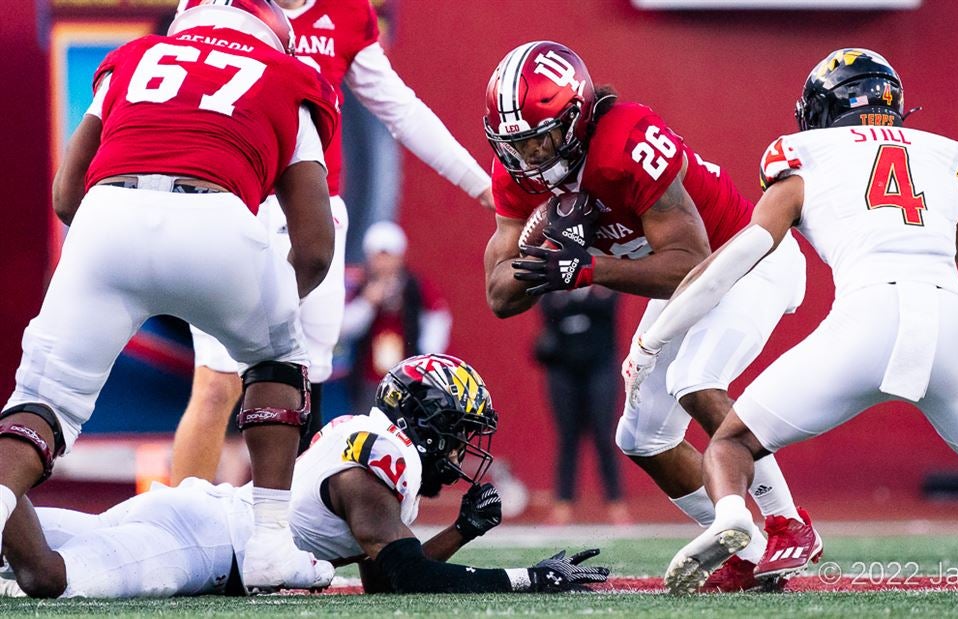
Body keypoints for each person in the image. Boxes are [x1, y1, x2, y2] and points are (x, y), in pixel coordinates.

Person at [621, 48, 958, 595]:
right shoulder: (941, 158)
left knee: (731, 445)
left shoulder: (803, 156)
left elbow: (734, 263)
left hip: (868, 318)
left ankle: (735, 518)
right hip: (951, 323)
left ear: (822, 109)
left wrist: (652, 339)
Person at [0, 0, 342, 592]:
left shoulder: (133, 59)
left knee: (41, 402)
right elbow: (313, 246)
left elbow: (65, 193)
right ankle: (268, 542)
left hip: (107, 214)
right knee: (278, 363)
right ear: (271, 28)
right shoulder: (289, 77)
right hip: (216, 218)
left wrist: (117, 267)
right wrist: (265, 317)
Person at [481, 40, 813, 591]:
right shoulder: (517, 174)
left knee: (696, 380)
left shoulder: (625, 141)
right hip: (687, 282)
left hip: (749, 258)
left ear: (577, 116)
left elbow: (691, 260)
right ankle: (751, 555)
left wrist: (585, 268)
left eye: (542, 137)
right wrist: (543, 255)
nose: (532, 157)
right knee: (642, 438)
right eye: (518, 143)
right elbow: (498, 295)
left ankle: (787, 522)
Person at [171, 0, 493, 485]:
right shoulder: (211, 5)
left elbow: (400, 109)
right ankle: (173, 526)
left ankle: (289, 532)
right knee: (218, 381)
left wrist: (480, 184)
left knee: (305, 379)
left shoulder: (347, 11)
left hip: (318, 213)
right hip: (239, 200)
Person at [0, 354, 609, 598]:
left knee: (26, 544)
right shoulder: (380, 460)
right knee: (48, 576)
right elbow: (404, 573)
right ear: (423, 424)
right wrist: (529, 578)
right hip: (207, 545)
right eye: (454, 434)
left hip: (202, 523)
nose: (457, 453)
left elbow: (381, 579)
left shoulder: (374, 450)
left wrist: (459, 535)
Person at [533, 288, 630, 525]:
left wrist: (576, 297)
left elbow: (607, 303)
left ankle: (616, 504)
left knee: (604, 435)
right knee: (567, 438)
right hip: (563, 369)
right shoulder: (553, 289)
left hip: (600, 367)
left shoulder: (601, 284)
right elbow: (547, 309)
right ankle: (563, 503)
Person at [341, 221, 451, 410]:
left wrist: (425, 357)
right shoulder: (360, 286)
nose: (383, 264)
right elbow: (344, 327)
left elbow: (438, 317)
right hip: (367, 379)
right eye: (378, 257)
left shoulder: (415, 288)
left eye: (388, 257)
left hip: (408, 378)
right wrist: (367, 303)